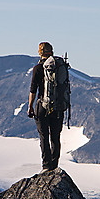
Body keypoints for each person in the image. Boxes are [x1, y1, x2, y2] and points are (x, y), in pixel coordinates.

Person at [28, 41, 65, 171]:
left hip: (42, 106)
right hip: (58, 107)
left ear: (40, 52)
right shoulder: (60, 67)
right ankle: (54, 166)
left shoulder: (38, 68)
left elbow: (33, 90)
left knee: (44, 136)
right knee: (55, 137)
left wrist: (30, 106)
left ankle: (46, 166)